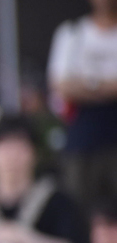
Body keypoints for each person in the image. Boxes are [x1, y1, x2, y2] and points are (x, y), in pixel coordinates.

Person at [47, 0, 117, 208]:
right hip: (82, 137)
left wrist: (85, 85)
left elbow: (71, 84)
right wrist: (107, 86)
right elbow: (61, 86)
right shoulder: (72, 33)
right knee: (79, 206)